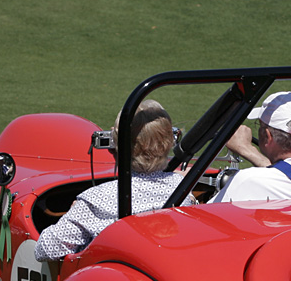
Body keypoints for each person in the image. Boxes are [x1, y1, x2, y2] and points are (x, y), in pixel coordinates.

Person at [35, 100, 194, 261]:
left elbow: (45, 249)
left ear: (117, 145)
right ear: (169, 142)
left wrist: (73, 212)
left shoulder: (96, 200)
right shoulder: (182, 187)